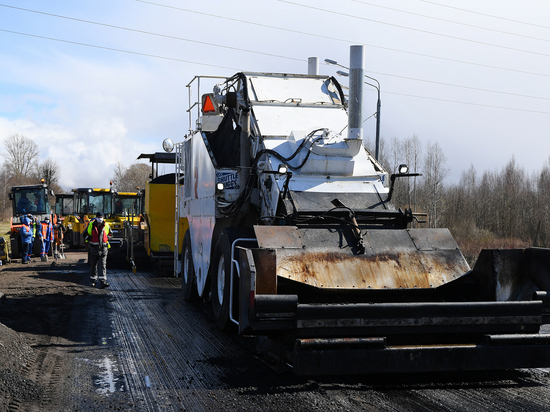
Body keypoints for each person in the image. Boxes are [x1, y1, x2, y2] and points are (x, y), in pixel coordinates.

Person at [84, 211, 112, 288]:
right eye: (98, 217)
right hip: (93, 248)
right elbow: (84, 234)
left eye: (101, 217)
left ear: (103, 218)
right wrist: (90, 238)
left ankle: (103, 281)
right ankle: (93, 281)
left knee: (102, 265)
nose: (100, 219)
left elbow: (111, 234)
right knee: (93, 265)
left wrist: (107, 238)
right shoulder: (91, 225)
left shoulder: (106, 225)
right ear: (96, 218)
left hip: (103, 249)